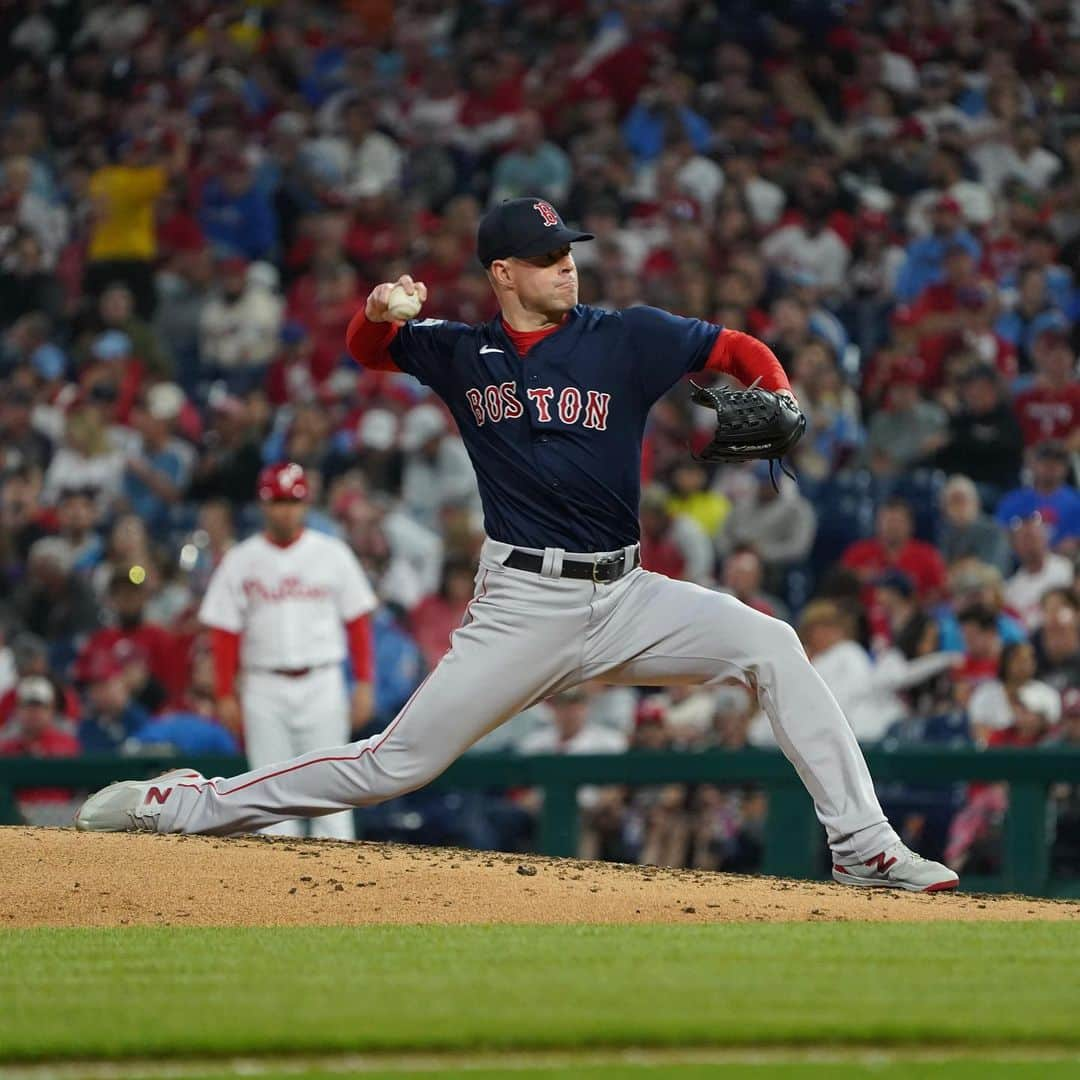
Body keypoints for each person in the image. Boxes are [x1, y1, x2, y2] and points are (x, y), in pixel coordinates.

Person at [76, 197, 958, 892]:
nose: (564, 264)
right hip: (523, 604)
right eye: (543, 257)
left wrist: (780, 391)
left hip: (627, 595)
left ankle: (864, 847)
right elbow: (369, 349)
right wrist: (380, 310)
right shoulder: (464, 354)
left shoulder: (627, 337)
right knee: (393, 765)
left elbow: (734, 347)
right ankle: (181, 804)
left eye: (566, 249)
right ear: (502, 273)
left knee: (772, 644)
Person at [193, 462, 376, 840]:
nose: (285, 510)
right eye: (277, 501)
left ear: (306, 503)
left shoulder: (332, 553)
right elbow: (224, 630)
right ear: (263, 504)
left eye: (292, 501)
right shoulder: (241, 559)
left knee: (334, 793)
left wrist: (364, 682)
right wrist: (225, 692)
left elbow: (357, 622)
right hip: (264, 686)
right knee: (269, 796)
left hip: (322, 681)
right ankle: (275, 896)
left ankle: (342, 892)